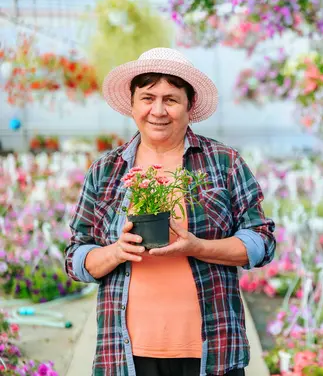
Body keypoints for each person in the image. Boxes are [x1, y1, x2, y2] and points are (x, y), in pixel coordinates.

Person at [64, 47, 276, 376]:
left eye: (171, 99)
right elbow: (77, 258)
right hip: (125, 355)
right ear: (133, 105)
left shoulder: (223, 162)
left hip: (213, 350)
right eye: (148, 98)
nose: (158, 110)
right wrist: (117, 252)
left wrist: (198, 247)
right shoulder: (106, 170)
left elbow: (261, 242)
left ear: (189, 106)